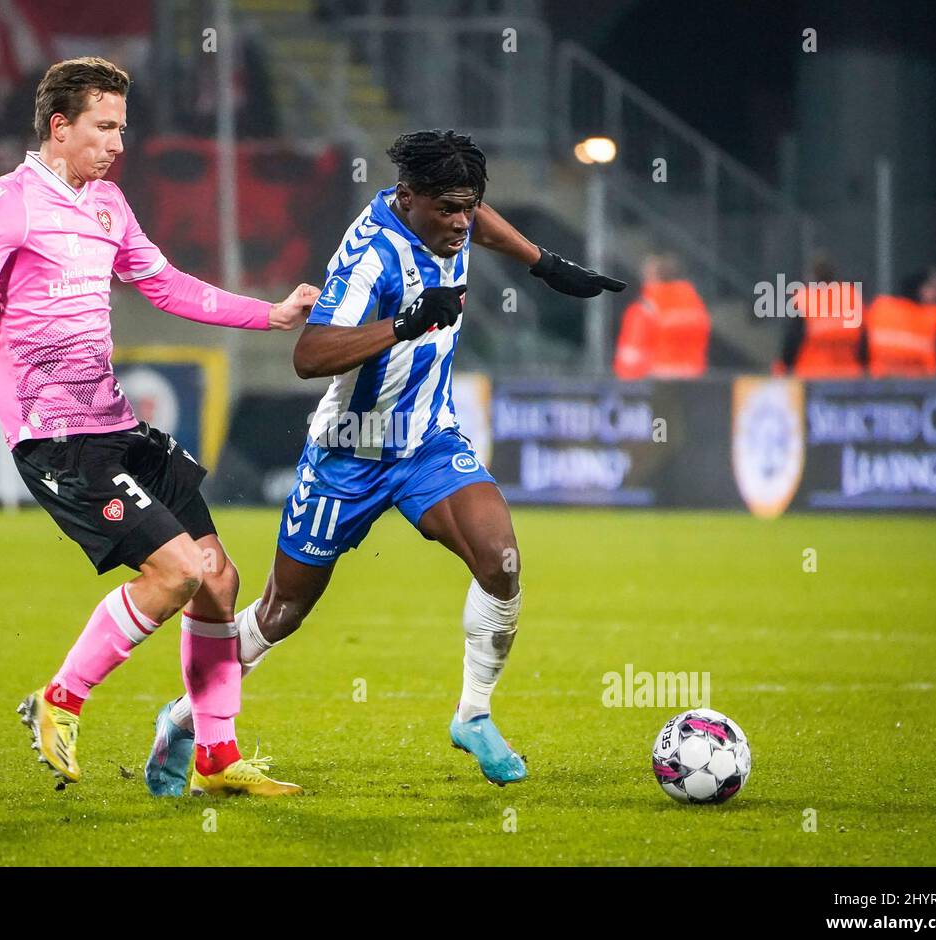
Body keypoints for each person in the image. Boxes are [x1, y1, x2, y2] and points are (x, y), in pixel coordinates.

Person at [146, 129, 626, 794]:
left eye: (469, 206)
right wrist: (402, 324)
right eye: (448, 209)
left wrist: (543, 262)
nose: (461, 221)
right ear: (408, 199)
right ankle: (180, 719)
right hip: (346, 454)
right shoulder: (371, 261)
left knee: (501, 559)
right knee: (281, 612)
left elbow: (477, 216)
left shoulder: (446, 213)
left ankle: (473, 713)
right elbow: (309, 355)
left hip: (427, 441)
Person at [0, 57, 319, 796]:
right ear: (59, 127)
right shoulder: (11, 203)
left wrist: (269, 313)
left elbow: (165, 284)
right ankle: (59, 699)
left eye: (123, 128)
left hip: (114, 424)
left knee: (219, 582)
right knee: (177, 571)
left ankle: (215, 756)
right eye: (104, 128)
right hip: (56, 437)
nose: (117, 144)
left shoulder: (109, 204)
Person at [612, 253, 710, 379]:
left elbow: (632, 353)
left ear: (652, 276)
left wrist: (625, 378)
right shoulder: (695, 305)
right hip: (693, 376)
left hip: (657, 378)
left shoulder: (646, 307)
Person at [777, 253, 863, 378]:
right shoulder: (851, 296)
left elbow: (792, 341)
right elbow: (863, 342)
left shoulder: (804, 299)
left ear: (813, 275)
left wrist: (785, 367)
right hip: (848, 380)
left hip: (812, 378)